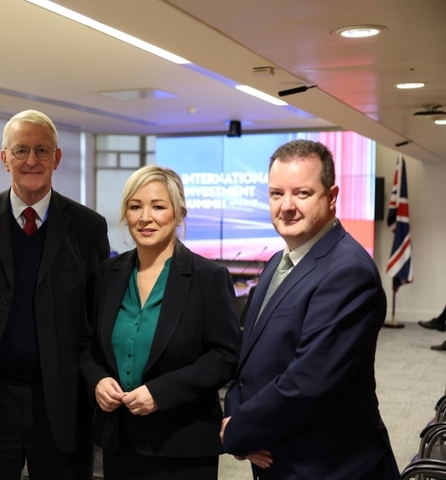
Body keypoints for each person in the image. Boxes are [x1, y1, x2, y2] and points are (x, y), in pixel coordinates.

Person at [0, 109, 110, 479]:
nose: (31, 160)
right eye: (20, 151)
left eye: (42, 150)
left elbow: (96, 312)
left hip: (61, 400)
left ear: (57, 158)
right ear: (4, 159)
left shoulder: (87, 228)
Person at [220, 140, 400, 479]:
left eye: (301, 193)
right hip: (279, 455)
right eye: (276, 194)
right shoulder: (278, 261)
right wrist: (239, 420)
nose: (286, 206)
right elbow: (251, 361)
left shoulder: (349, 272)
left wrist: (237, 430)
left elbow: (307, 382)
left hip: (329, 466)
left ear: (331, 197)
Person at [81, 165, 241, 479]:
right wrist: (97, 380)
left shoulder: (208, 277)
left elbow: (225, 357)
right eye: (135, 206)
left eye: (158, 206)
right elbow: (88, 345)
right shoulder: (108, 274)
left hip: (182, 445)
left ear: (179, 214)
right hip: (119, 442)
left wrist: (160, 393)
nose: (145, 217)